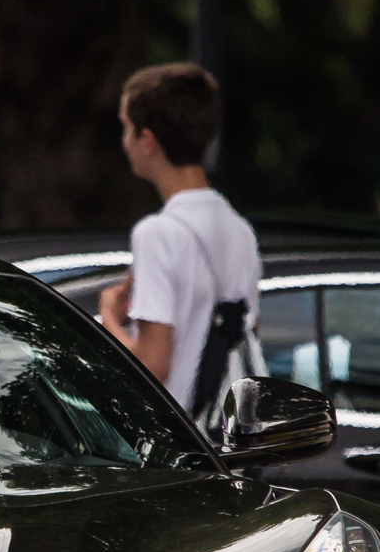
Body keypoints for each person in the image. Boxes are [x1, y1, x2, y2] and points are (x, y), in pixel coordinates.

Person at [97, 62, 261, 422]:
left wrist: (108, 317)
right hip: (222, 444)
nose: (124, 142)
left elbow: (153, 367)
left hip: (177, 439)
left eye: (126, 128)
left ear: (148, 140)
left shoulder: (157, 233)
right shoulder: (240, 230)